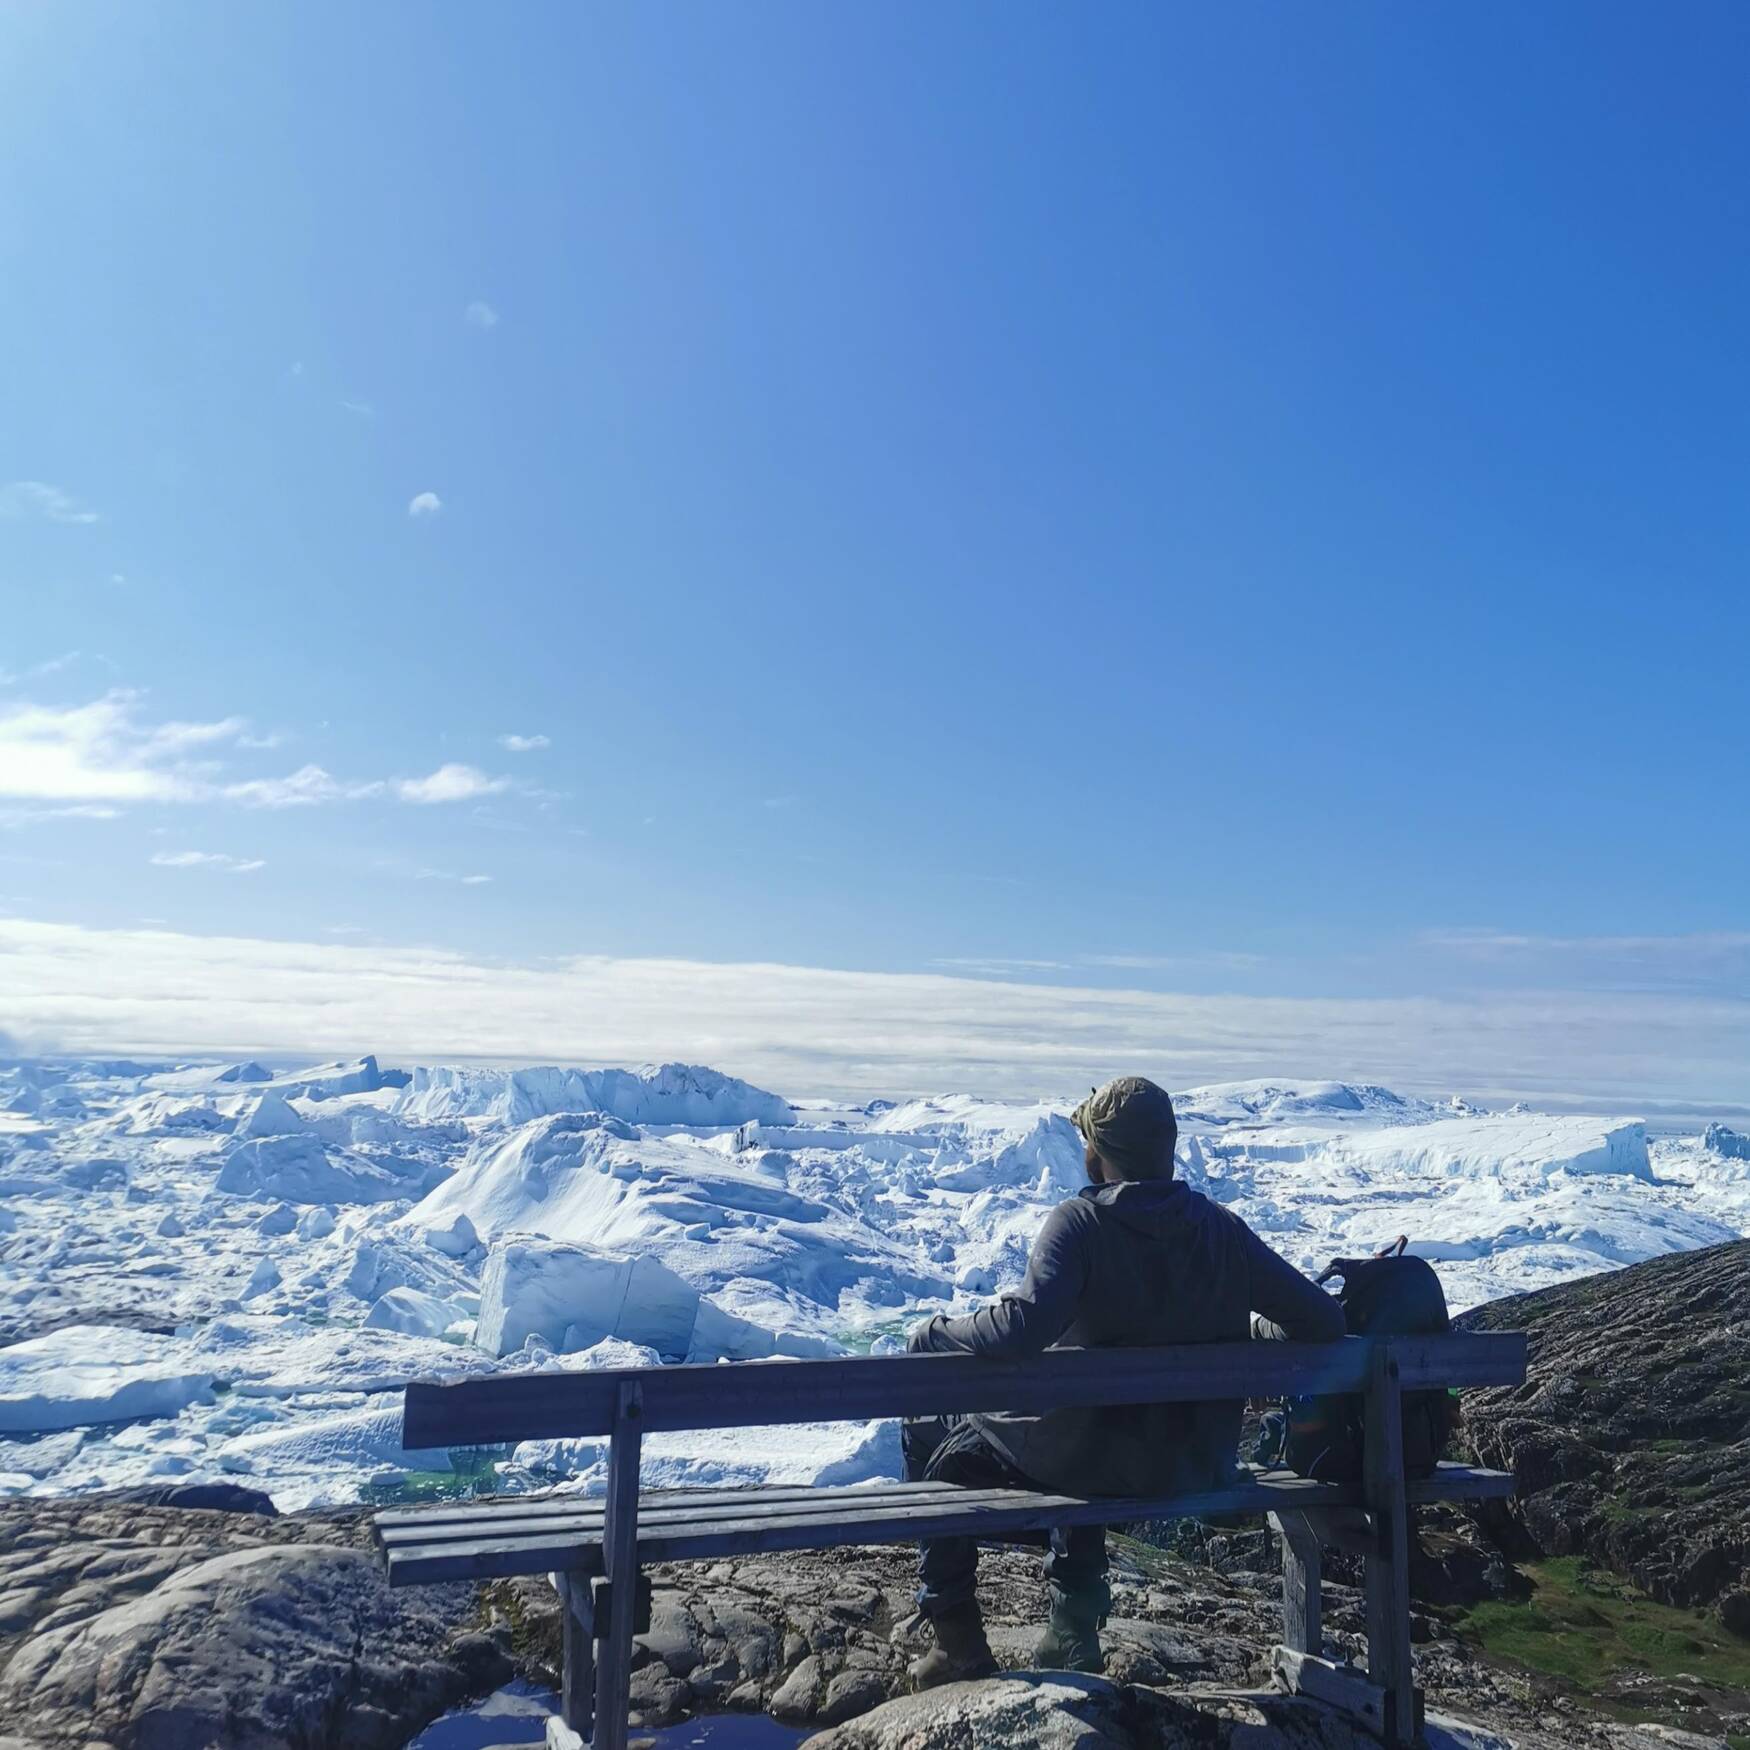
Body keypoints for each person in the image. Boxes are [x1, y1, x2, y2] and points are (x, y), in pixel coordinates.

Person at [902, 1074, 1345, 1687]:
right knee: (1083, 1441)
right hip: (1193, 1464)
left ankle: (957, 1642)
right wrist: (1257, 1335)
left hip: (1086, 1460)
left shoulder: (1080, 1223)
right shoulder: (1222, 1231)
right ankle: (1071, 1634)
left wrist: (936, 1336)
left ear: (1094, 1151)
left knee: (944, 1453)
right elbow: (1323, 1318)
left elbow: (1019, 1329)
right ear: (1168, 1148)